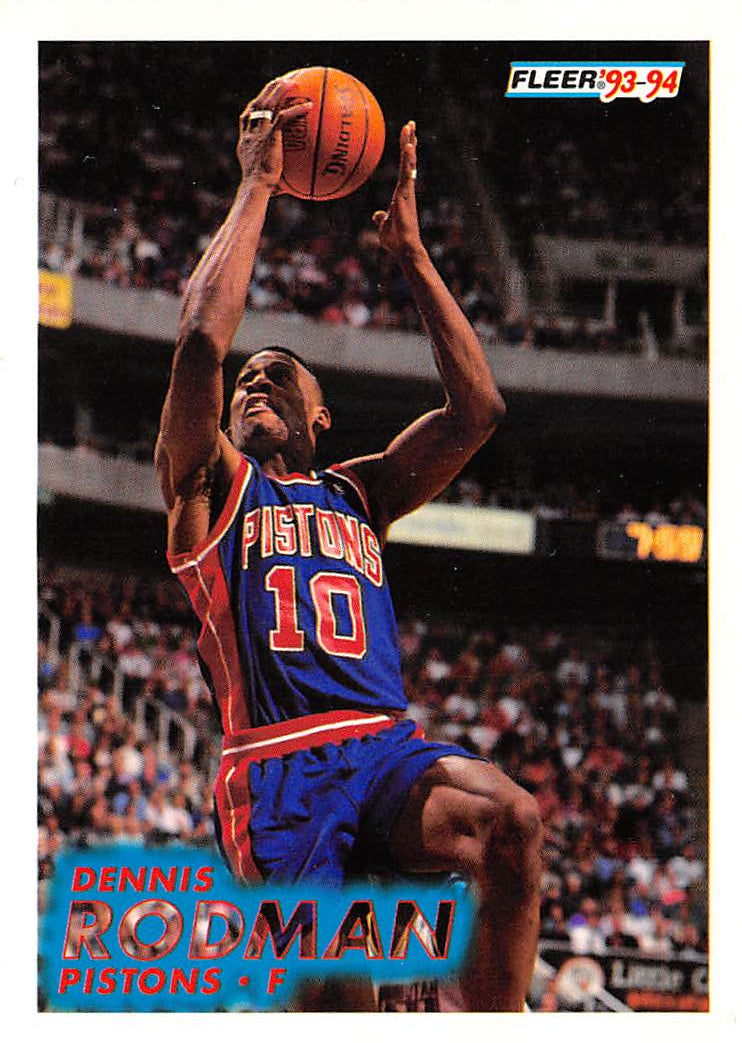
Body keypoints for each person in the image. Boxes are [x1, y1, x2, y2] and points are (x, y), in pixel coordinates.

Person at [155, 76, 542, 1012]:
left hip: (382, 750)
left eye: (277, 374)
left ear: (321, 416)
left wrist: (412, 256)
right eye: (248, 378)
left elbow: (478, 410)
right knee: (339, 1007)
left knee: (512, 823)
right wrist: (258, 184)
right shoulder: (209, 488)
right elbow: (201, 342)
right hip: (277, 771)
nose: (255, 381)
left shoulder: (358, 492)